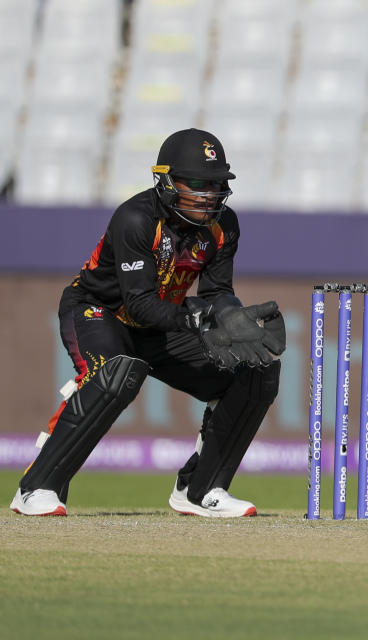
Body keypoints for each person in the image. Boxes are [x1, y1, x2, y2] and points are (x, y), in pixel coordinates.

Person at [10, 128, 286, 518]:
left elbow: (216, 290)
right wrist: (202, 317)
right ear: (166, 181)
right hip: (98, 311)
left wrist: (230, 315)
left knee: (255, 372)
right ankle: (35, 487)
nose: (208, 195)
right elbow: (139, 305)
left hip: (160, 323)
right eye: (197, 184)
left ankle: (200, 490)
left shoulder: (225, 226)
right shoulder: (136, 218)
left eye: (215, 185)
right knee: (117, 372)